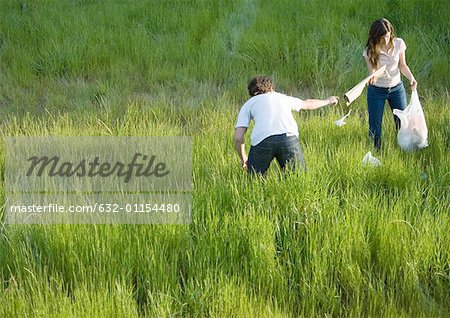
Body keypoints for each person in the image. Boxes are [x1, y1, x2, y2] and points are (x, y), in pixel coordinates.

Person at [234, 75, 339, 176]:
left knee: (254, 181)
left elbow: (238, 138)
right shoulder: (283, 98)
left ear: (252, 93)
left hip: (262, 141)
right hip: (288, 138)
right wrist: (328, 100)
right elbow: (308, 104)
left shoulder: (248, 104)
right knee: (297, 180)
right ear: (271, 88)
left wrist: (243, 158)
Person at [363, 18, 417, 151]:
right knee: (375, 126)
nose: (385, 40)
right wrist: (373, 78)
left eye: (387, 36)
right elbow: (372, 73)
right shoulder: (370, 50)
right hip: (376, 91)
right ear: (375, 37)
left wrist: (411, 78)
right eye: (382, 38)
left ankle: (405, 150)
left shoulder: (399, 43)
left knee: (402, 122)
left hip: (396, 89)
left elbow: (403, 65)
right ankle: (377, 152)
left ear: (390, 33)